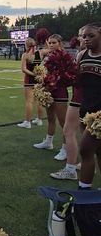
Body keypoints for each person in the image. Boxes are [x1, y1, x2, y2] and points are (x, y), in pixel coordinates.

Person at [50, 28, 86, 180]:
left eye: (87, 36)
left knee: (84, 132)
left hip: (88, 99)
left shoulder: (73, 55)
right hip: (78, 98)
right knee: (72, 130)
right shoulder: (81, 54)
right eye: (81, 36)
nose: (82, 39)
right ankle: (72, 168)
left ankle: (80, 164)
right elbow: (76, 78)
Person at [33, 34, 69, 159]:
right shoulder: (47, 56)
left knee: (63, 121)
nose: (52, 45)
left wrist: (56, 80)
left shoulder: (65, 56)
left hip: (60, 91)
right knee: (50, 118)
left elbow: (69, 74)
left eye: (54, 42)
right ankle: (49, 142)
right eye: (50, 42)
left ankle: (65, 149)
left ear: (60, 43)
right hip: (49, 90)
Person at [76, 23, 101, 190]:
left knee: (85, 150)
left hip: (100, 114)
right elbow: (77, 82)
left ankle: (83, 194)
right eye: (84, 36)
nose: (86, 39)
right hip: (85, 109)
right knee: (99, 152)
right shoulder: (81, 55)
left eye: (91, 36)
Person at [17, 37, 43, 129]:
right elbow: (49, 49)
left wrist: (33, 74)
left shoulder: (25, 55)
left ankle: (27, 122)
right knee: (39, 101)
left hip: (29, 80)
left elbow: (23, 69)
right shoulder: (40, 53)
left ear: (26, 45)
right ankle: (39, 120)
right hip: (39, 80)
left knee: (29, 102)